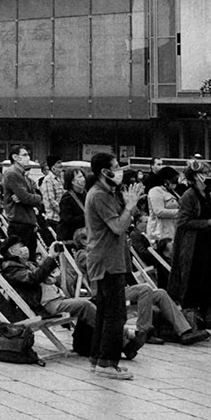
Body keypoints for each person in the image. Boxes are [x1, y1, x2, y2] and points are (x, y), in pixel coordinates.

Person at [82, 151, 144, 381]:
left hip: (113, 258)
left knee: (106, 313)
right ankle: (107, 363)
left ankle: (98, 359)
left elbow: (127, 221)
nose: (119, 171)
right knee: (115, 315)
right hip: (106, 261)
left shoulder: (109, 193)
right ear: (103, 172)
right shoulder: (98, 195)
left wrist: (130, 205)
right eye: (115, 167)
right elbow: (118, 226)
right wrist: (129, 206)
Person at [165, 166, 211, 326]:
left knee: (205, 281)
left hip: (206, 243)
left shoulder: (207, 195)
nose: (207, 176)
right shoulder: (189, 196)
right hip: (192, 245)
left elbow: (209, 216)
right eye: (203, 173)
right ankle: (190, 321)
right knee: (192, 282)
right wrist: (208, 222)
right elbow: (183, 222)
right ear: (195, 176)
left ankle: (204, 320)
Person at [1, 152, 44, 257]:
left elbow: (37, 196)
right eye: (24, 155)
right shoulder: (12, 174)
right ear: (15, 157)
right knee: (21, 258)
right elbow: (26, 197)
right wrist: (30, 197)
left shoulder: (25, 177)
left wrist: (34, 197)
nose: (28, 157)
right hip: (19, 223)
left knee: (31, 258)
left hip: (29, 222)